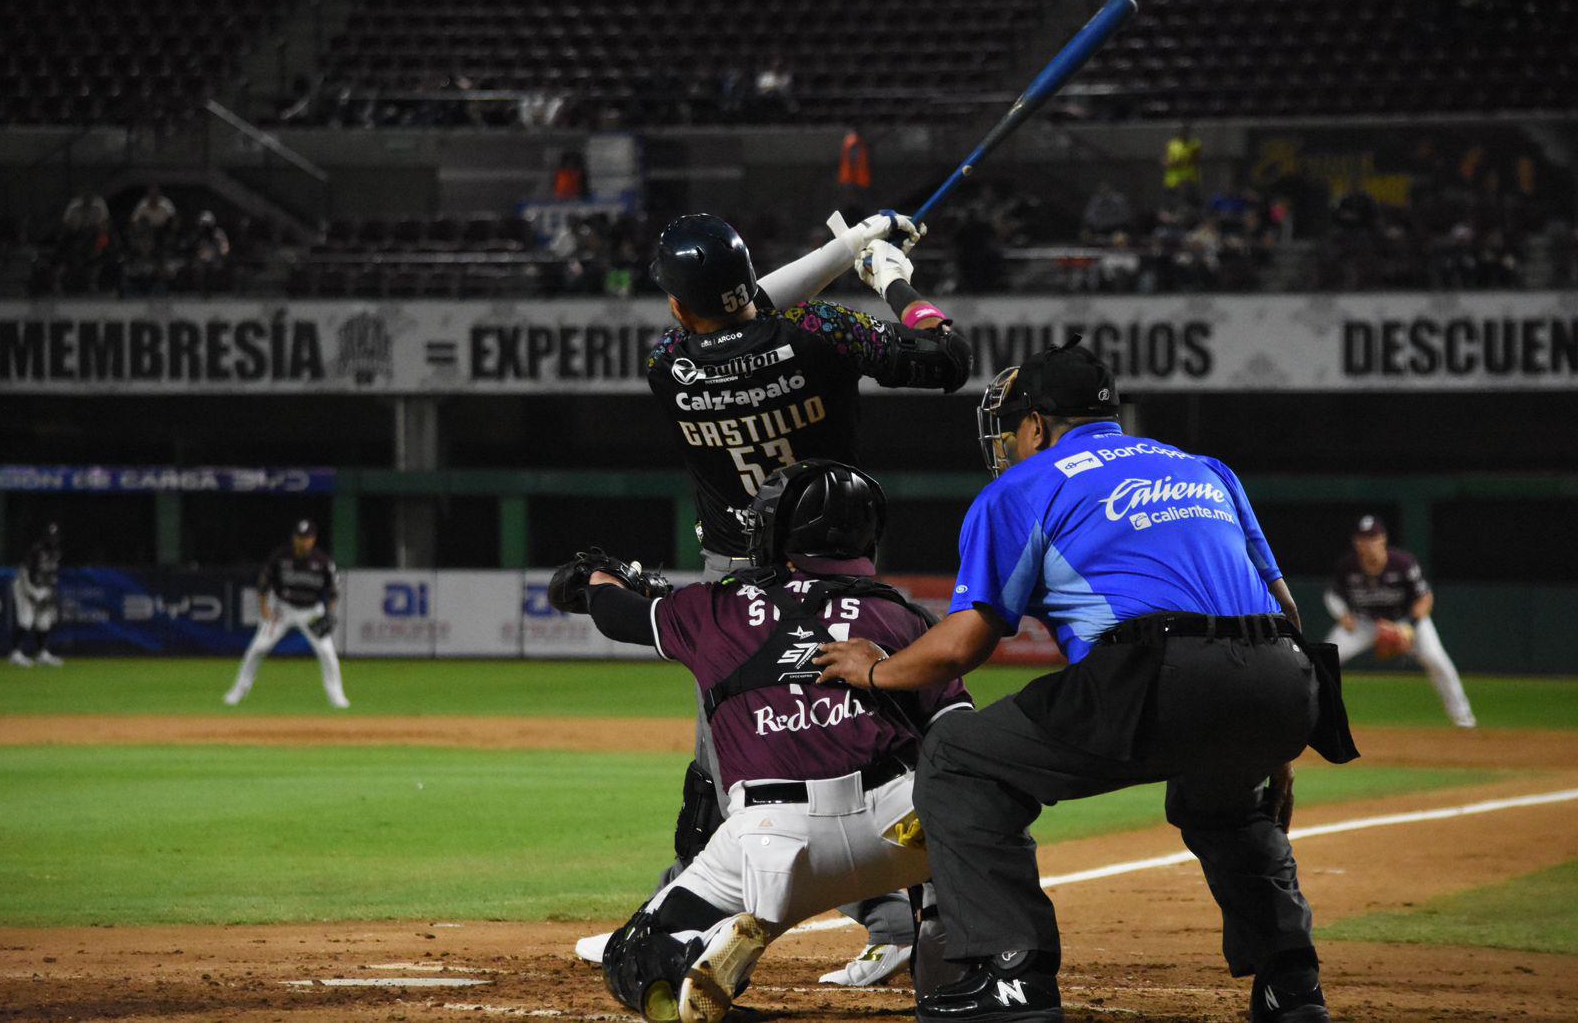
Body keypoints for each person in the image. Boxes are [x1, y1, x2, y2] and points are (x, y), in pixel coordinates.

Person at [815, 339, 1358, 1023]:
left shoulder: (1021, 487)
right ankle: (1292, 984)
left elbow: (962, 646)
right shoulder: (1205, 469)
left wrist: (875, 669)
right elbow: (1285, 612)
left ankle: (1013, 974)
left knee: (958, 762)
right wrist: (1270, 744)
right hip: (1287, 676)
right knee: (1226, 802)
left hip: (1157, 671)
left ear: (1037, 425)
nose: (1009, 445)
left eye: (1013, 430)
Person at [581, 211, 971, 987]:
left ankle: (682, 919)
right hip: (844, 567)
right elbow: (946, 358)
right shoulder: (822, 331)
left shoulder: (672, 364)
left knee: (734, 761)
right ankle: (904, 917)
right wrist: (886, 273)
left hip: (739, 580)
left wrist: (840, 246)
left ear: (677, 305)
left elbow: (740, 313)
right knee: (866, 734)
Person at [550, 460, 974, 1023]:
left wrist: (596, 582)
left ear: (775, 532)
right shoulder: (902, 617)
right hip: (897, 832)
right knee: (963, 824)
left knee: (635, 960)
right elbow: (956, 731)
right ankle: (955, 966)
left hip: (774, 844)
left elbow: (619, 615)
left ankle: (702, 949)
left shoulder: (715, 606)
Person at [1323, 515, 1475, 728]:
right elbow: (1332, 595)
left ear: (1383, 539)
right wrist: (1342, 614)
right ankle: (1312, 719)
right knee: (1324, 659)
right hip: (1365, 622)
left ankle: (1464, 720)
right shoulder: (1347, 566)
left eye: (1373, 538)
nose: (1367, 543)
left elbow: (1425, 598)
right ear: (1356, 542)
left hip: (1405, 621)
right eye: (1363, 539)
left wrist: (1408, 627)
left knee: (1438, 661)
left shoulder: (1403, 564)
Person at [224, 519, 348, 709]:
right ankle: (238, 691)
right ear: (294, 538)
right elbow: (264, 582)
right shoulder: (281, 557)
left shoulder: (323, 562)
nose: (303, 541)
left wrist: (329, 612)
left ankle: (337, 697)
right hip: (283, 609)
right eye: (300, 537)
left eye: (307, 538)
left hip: (311, 611)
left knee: (327, 653)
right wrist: (264, 607)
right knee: (258, 648)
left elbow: (333, 591)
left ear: (313, 540)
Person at [10, 522, 64, 667]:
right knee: (26, 620)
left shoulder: (56, 553)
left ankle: (42, 653)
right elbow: (23, 572)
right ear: (44, 536)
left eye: (54, 536)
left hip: (42, 588)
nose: (52, 539)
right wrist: (31, 592)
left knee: (44, 621)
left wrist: (49, 594)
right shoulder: (36, 550)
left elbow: (52, 576)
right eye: (49, 536)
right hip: (23, 586)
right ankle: (15, 654)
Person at [1163, 122, 1203, 204]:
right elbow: (1168, 161)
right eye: (1181, 131)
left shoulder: (1195, 144)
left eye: (1185, 131)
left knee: (1190, 203)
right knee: (1171, 203)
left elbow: (1195, 160)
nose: (1183, 133)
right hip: (1173, 180)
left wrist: (1180, 162)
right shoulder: (1172, 144)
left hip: (1189, 179)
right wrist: (1172, 163)